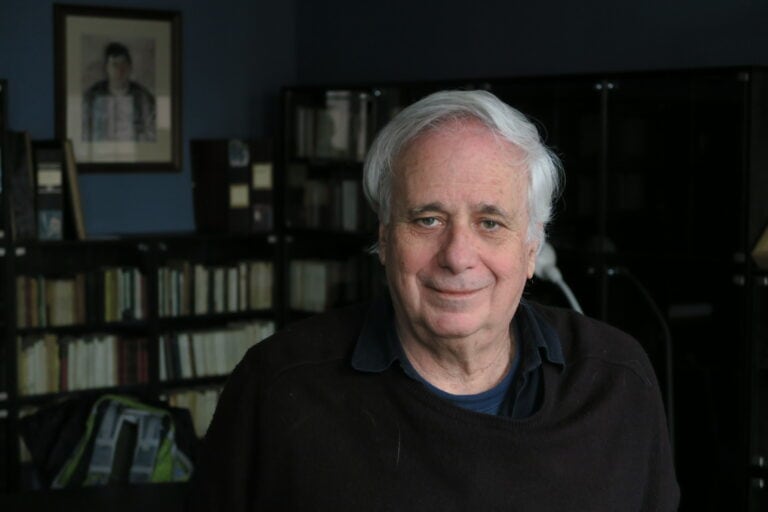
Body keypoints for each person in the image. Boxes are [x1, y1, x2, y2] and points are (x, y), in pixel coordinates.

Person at [187, 90, 679, 511]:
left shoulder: (616, 381)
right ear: (385, 238)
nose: (457, 256)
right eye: (428, 220)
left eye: (490, 223)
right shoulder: (278, 386)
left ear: (532, 248)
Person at [82, 42, 156, 142]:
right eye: (114, 65)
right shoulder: (92, 97)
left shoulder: (144, 98)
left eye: (124, 64)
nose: (120, 70)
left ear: (130, 67)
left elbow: (152, 134)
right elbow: (85, 133)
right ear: (106, 68)